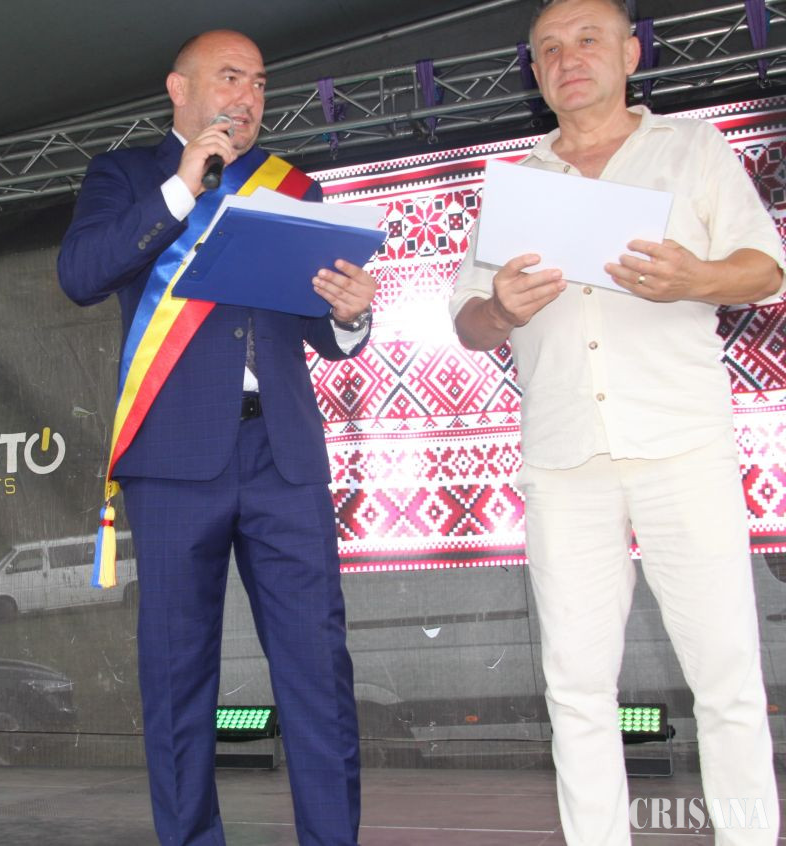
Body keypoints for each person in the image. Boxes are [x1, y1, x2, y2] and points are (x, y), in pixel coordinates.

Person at [451, 1, 783, 842]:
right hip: (563, 462)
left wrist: (695, 279)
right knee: (576, 688)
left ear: (631, 54)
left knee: (728, 681)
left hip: (683, 447)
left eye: (588, 39)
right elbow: (468, 324)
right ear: (534, 71)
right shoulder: (515, 183)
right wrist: (500, 307)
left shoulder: (692, 149)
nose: (569, 58)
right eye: (549, 48)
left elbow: (766, 269)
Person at [58, 29, 373, 846]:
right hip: (172, 460)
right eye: (230, 77)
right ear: (179, 88)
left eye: (259, 83)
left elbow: (323, 329)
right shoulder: (126, 175)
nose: (248, 97)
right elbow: (80, 275)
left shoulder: (292, 186)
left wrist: (351, 314)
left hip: (284, 457)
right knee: (177, 678)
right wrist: (180, 186)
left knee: (318, 674)